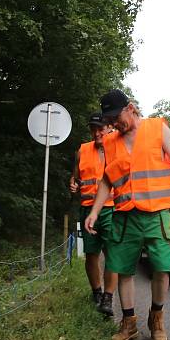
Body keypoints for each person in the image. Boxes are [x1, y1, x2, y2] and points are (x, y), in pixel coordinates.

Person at [84, 89, 170, 340]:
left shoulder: (157, 129)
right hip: (126, 215)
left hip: (159, 214)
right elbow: (108, 179)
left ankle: (157, 318)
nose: (113, 123)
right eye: (109, 120)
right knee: (122, 269)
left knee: (162, 268)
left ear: (130, 108)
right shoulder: (110, 141)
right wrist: (95, 211)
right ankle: (128, 323)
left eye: (116, 117)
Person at [69, 112, 118, 316]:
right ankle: (96, 293)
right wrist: (73, 184)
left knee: (113, 255)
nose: (97, 132)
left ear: (109, 128)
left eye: (101, 128)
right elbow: (75, 178)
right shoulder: (82, 150)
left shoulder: (118, 148)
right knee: (91, 254)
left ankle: (108, 297)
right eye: (93, 129)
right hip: (88, 209)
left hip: (111, 208)